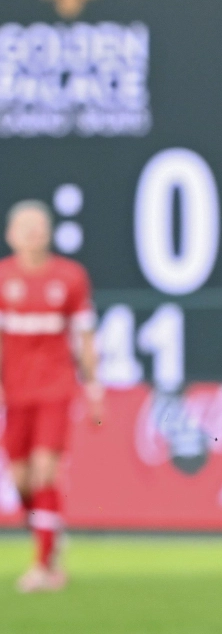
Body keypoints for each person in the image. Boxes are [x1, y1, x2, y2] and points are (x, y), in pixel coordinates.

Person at [0, 200, 103, 593]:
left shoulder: (70, 277)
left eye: (40, 226)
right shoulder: (3, 278)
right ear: (11, 234)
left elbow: (85, 337)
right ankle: (50, 536)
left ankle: (43, 568)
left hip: (55, 389)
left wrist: (94, 388)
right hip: (16, 394)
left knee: (46, 470)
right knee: (20, 479)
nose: (33, 233)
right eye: (25, 226)